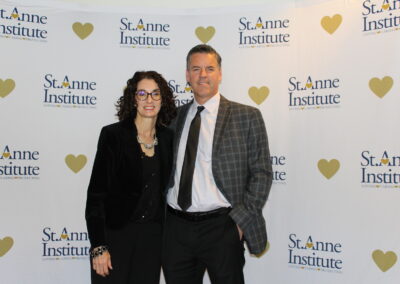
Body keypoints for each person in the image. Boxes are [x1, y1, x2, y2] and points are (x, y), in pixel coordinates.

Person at [162, 44, 273, 284]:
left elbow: (262, 173)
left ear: (220, 74)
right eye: (196, 69)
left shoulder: (247, 116)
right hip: (176, 229)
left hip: (222, 228)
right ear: (187, 75)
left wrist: (239, 223)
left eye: (210, 68)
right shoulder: (172, 118)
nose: (203, 75)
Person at [85, 71, 176, 284]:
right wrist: (99, 246)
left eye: (155, 94)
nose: (149, 100)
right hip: (115, 238)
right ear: (133, 98)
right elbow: (96, 196)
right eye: (142, 93)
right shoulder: (113, 135)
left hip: (152, 242)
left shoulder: (168, 139)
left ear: (163, 99)